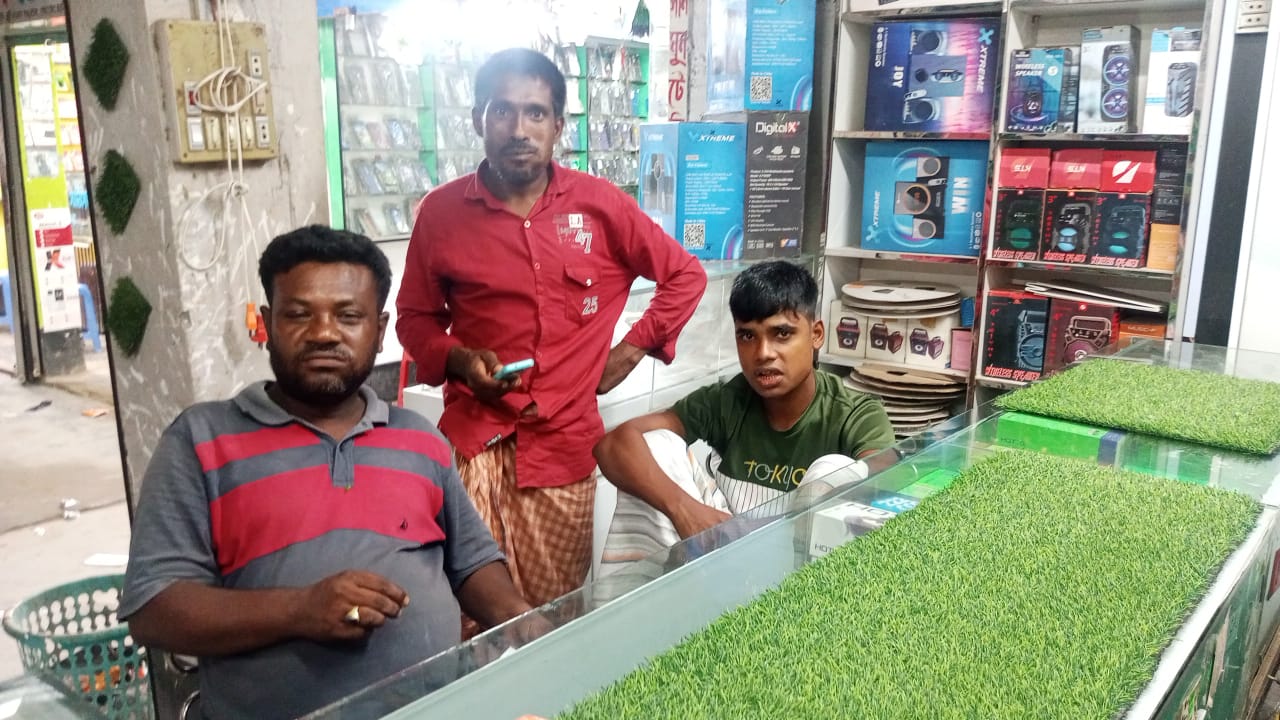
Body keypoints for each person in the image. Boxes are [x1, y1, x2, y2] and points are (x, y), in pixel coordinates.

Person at [120, 226, 533, 720]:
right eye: (299, 314)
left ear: (379, 331)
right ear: (268, 324)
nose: (323, 333)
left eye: (348, 316)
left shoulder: (420, 438)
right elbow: (154, 608)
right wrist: (300, 610)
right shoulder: (201, 440)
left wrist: (522, 619)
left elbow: (472, 564)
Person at [396, 48, 707, 611]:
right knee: (465, 616)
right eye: (502, 111)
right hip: (474, 445)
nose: (519, 129)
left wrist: (631, 349)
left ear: (558, 126)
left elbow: (685, 275)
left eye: (536, 113)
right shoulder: (440, 213)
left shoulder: (600, 205)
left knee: (552, 615)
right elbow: (414, 319)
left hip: (562, 453)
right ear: (478, 119)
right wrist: (460, 359)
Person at [594, 261, 897, 569]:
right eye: (748, 336)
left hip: (806, 568)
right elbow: (612, 445)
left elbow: (886, 482)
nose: (763, 353)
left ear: (816, 335)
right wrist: (684, 510)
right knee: (656, 446)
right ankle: (643, 595)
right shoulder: (726, 400)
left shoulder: (855, 413)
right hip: (726, 559)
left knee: (836, 470)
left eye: (782, 333)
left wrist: (762, 531)